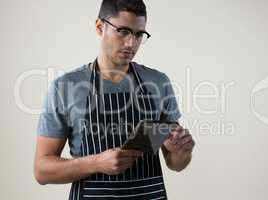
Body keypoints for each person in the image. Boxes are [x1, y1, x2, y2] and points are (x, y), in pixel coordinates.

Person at [34, 0, 195, 199]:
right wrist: (96, 163)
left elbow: (175, 163)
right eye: (123, 31)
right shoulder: (65, 87)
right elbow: (42, 171)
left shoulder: (159, 82)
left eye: (138, 34)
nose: (131, 43)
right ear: (99, 27)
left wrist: (181, 152)